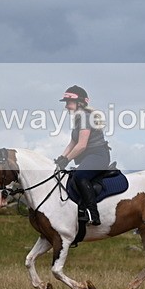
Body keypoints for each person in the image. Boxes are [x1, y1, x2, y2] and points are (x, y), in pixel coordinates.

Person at [55, 85, 111, 226]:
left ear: (79, 102)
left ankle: (93, 214)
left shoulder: (86, 118)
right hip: (89, 156)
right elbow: (73, 142)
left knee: (80, 176)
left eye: (69, 103)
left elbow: (82, 145)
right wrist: (61, 159)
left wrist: (67, 160)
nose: (66, 106)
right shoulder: (79, 119)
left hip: (99, 156)